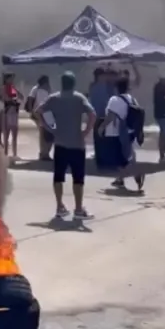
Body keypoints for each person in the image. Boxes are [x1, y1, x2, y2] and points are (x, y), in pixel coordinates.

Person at [35, 71, 96, 220]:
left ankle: (59, 207)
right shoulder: (79, 98)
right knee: (78, 179)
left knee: (58, 177)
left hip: (60, 143)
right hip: (77, 144)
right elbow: (93, 114)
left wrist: (48, 127)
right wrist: (86, 131)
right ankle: (79, 209)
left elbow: (38, 111)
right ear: (73, 83)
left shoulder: (54, 98)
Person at [105, 77, 146, 191]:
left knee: (121, 158)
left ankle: (136, 173)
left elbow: (110, 117)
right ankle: (120, 179)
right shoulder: (132, 99)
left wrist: (101, 127)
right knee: (128, 155)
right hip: (131, 131)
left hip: (119, 132)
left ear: (116, 88)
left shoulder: (114, 100)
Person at [26, 75, 53, 161]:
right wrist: (32, 112)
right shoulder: (35, 89)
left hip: (48, 113)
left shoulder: (48, 89)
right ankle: (43, 153)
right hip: (39, 113)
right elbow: (30, 99)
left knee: (51, 131)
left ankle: (46, 152)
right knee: (43, 133)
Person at [0, 72, 22, 158]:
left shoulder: (12, 88)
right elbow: (5, 98)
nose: (12, 80)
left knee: (14, 133)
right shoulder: (3, 88)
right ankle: (5, 153)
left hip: (14, 111)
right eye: (11, 78)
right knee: (6, 134)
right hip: (7, 112)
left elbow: (20, 97)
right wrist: (13, 100)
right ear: (6, 79)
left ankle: (15, 154)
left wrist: (16, 93)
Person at [153, 76, 165, 163]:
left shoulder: (157, 86)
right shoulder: (164, 87)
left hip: (159, 113)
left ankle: (163, 155)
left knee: (163, 134)